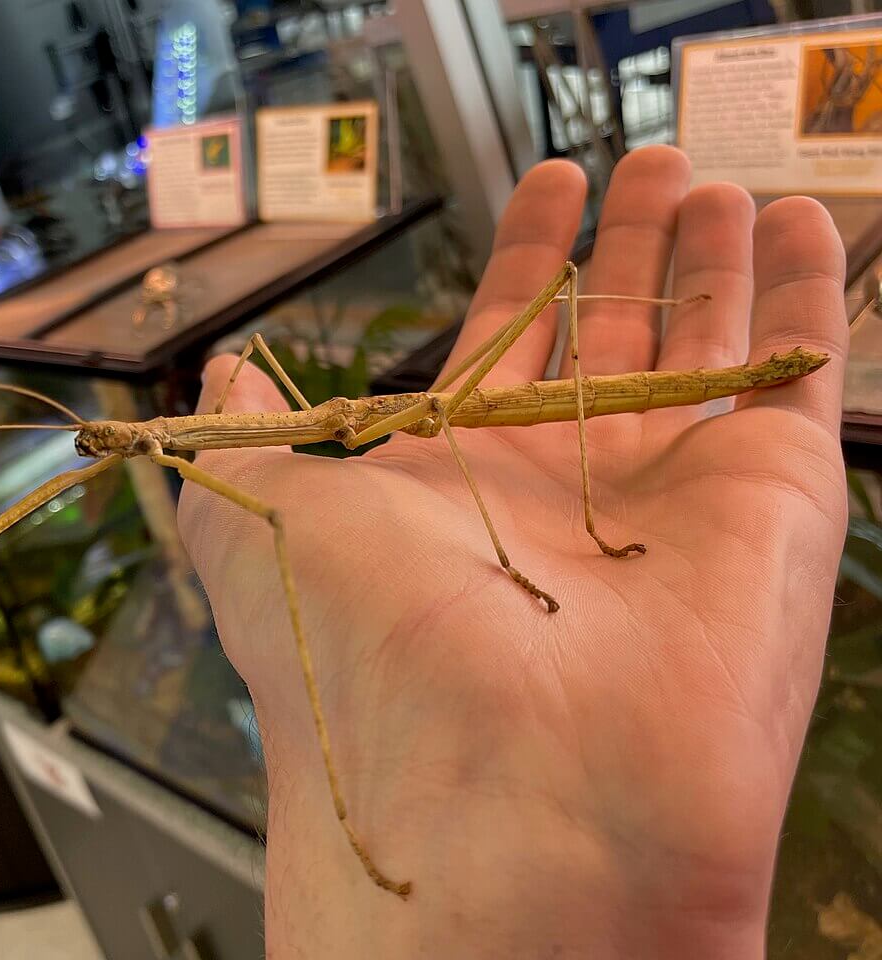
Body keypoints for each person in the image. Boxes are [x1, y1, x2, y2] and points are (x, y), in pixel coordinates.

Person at [177, 145, 848, 958]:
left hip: (486, 406)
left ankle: (597, 507)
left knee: (560, 289)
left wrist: (522, 560)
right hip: (463, 413)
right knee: (539, 311)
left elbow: (451, 436)